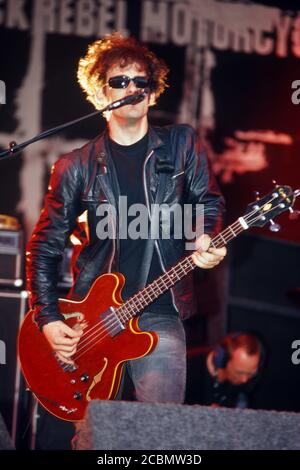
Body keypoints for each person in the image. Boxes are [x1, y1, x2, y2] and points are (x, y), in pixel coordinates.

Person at [26, 33, 226, 406]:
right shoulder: (75, 166)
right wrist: (49, 319)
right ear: (101, 94)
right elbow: (45, 245)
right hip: (91, 320)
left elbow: (208, 203)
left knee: (160, 432)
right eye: (119, 81)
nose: (131, 87)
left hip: (161, 312)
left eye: (140, 81)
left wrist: (206, 238)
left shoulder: (182, 145)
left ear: (151, 93)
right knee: (93, 438)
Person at [186, 332, 263, 408]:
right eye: (239, 373)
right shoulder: (187, 368)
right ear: (222, 360)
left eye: (251, 373)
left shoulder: (248, 382)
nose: (244, 380)